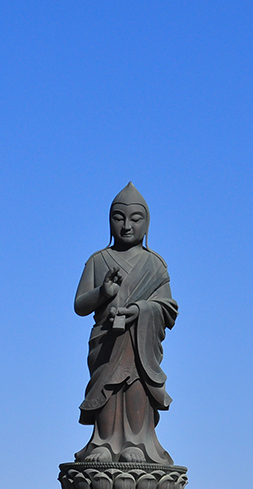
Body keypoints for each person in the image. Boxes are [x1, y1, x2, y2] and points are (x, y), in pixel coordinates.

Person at [73, 182, 179, 465]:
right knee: (106, 387)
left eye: (135, 219)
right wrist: (103, 293)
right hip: (106, 343)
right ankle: (103, 443)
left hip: (139, 344)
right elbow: (79, 305)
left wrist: (141, 310)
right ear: (109, 221)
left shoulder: (155, 264)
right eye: (118, 218)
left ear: (147, 223)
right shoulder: (98, 261)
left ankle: (137, 442)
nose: (127, 226)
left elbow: (168, 308)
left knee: (135, 385)